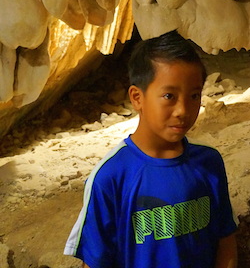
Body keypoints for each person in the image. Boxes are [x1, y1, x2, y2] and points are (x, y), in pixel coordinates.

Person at [64, 31, 237, 268]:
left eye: (194, 96)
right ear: (137, 97)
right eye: (169, 96)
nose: (183, 110)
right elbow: (95, 261)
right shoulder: (111, 177)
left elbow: (225, 241)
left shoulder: (208, 162)